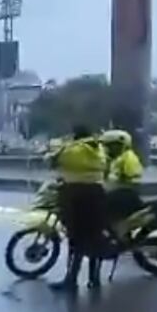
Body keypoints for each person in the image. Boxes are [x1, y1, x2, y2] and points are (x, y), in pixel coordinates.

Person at [48, 125, 106, 291]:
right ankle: (94, 278)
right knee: (95, 236)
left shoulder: (72, 150)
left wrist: (63, 145)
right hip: (97, 193)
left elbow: (52, 160)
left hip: (75, 194)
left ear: (75, 135)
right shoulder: (98, 148)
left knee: (76, 238)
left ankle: (71, 279)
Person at [101, 129, 144, 236]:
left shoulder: (129, 157)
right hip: (115, 194)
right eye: (108, 145)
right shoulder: (113, 159)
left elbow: (133, 180)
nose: (110, 148)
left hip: (125, 196)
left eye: (113, 145)